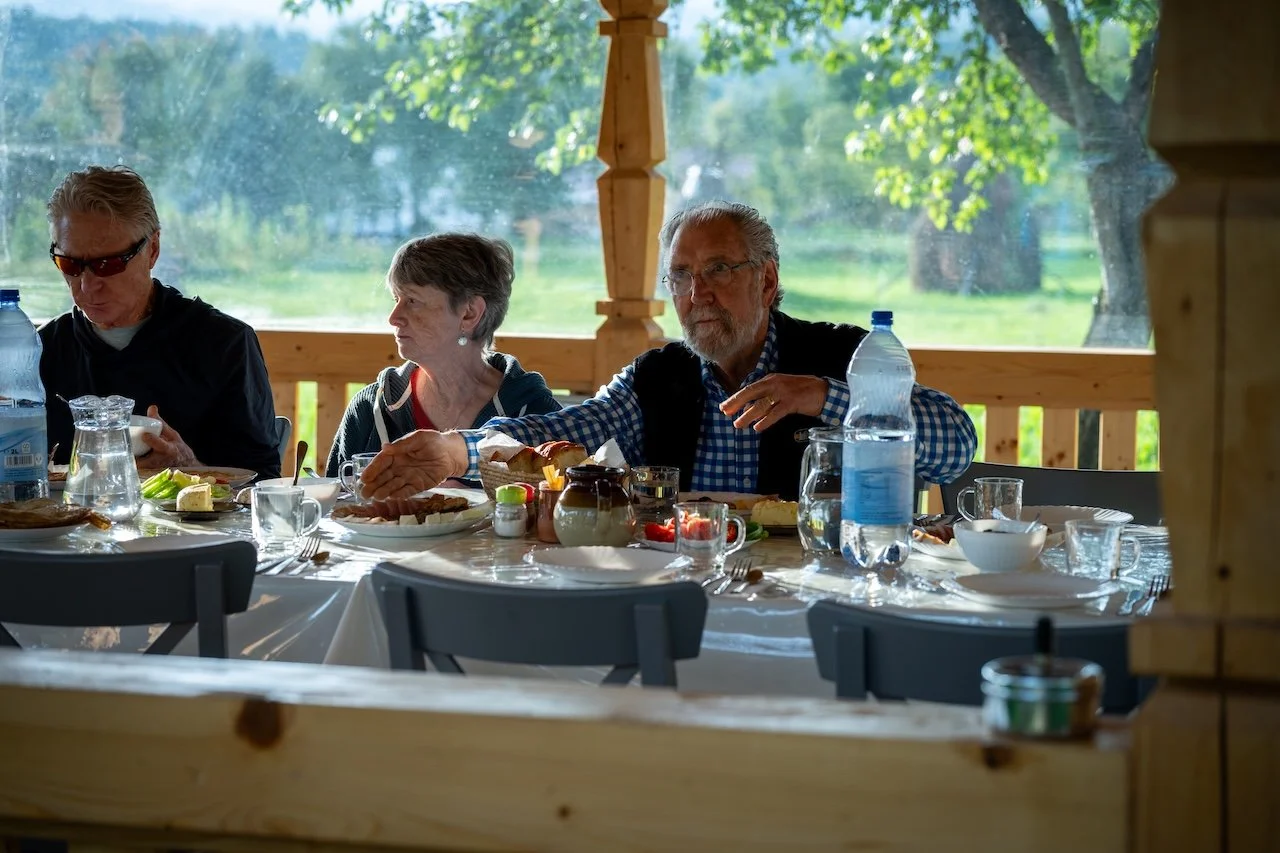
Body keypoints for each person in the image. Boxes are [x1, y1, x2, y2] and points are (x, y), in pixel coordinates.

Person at [359, 201, 977, 501]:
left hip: (817, 594)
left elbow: (955, 444)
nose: (696, 293)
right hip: (683, 590)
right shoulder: (659, 376)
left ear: (766, 279)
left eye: (718, 270)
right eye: (679, 276)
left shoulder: (841, 355)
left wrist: (824, 396)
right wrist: (453, 448)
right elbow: (567, 428)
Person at [40, 165, 280, 478]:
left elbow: (263, 481)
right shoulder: (43, 351)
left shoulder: (222, 344)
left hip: (192, 528)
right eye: (69, 263)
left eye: (107, 264)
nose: (86, 285)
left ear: (152, 249)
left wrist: (189, 469)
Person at [325, 233, 560, 477]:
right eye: (396, 299)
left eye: (413, 301)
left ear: (469, 313)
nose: (393, 317)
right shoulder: (369, 409)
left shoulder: (535, 414)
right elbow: (334, 508)